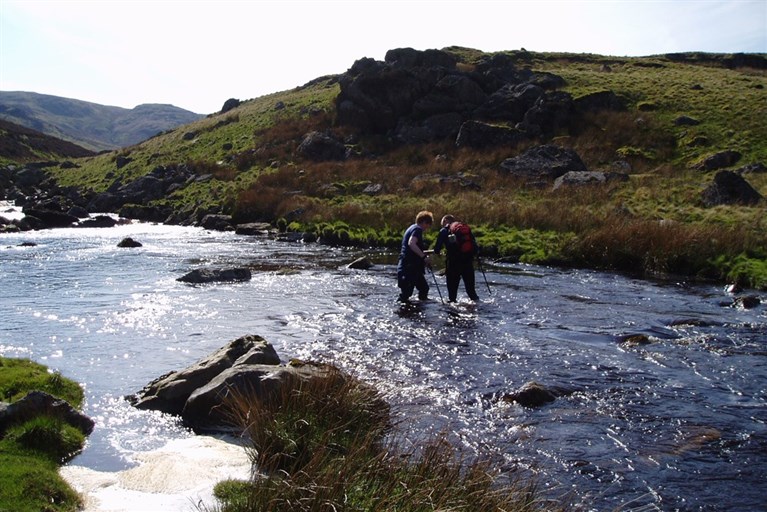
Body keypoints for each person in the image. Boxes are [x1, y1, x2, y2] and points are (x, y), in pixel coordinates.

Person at [433, 214, 479, 303]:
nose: (442, 225)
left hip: (453, 263)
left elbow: (437, 249)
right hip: (468, 262)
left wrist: (440, 252)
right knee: (472, 293)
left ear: (446, 220)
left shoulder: (444, 231)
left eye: (442, 222)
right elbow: (474, 245)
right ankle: (478, 309)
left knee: (452, 296)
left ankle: (453, 312)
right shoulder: (465, 229)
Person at [397, 210, 434, 302]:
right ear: (424, 222)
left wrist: (425, 255)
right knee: (406, 294)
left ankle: (419, 309)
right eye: (428, 225)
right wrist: (424, 257)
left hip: (413, 267)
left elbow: (412, 248)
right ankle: (405, 313)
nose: (427, 228)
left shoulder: (411, 228)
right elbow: (411, 243)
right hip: (409, 267)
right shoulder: (417, 229)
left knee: (424, 288)